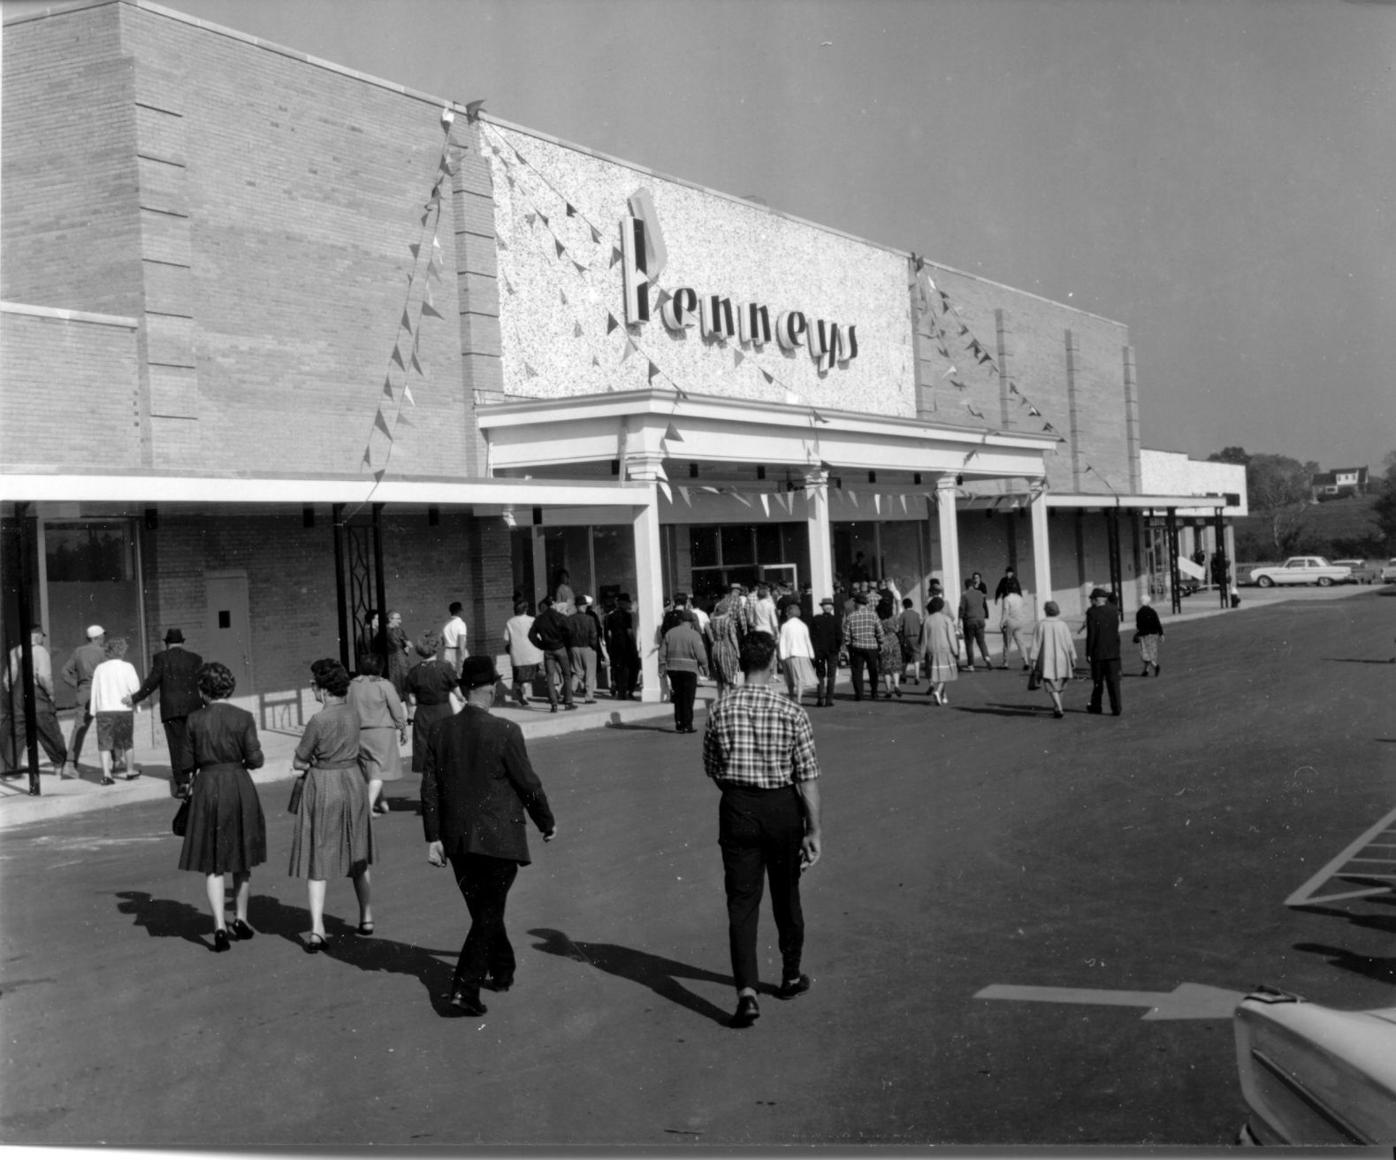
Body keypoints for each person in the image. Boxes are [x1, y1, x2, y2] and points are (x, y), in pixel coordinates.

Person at [422, 656, 556, 1016]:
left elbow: (430, 787)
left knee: (484, 910)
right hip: (498, 838)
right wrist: (546, 822)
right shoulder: (506, 730)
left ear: (465, 690)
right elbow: (527, 783)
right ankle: (464, 989)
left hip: (458, 840)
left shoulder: (440, 730)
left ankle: (502, 969)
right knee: (487, 913)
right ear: (492, 689)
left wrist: (433, 836)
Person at [702, 631, 822, 1029]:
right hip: (781, 809)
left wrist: (739, 792)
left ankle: (746, 993)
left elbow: (713, 766)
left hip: (737, 807)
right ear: (772, 663)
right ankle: (789, 975)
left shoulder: (720, 708)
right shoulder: (792, 711)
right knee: (786, 894)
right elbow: (806, 779)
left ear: (741, 663)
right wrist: (813, 829)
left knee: (741, 902)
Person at [177, 661, 266, 951]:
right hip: (238, 785)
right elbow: (256, 760)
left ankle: (218, 925)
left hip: (207, 787)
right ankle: (240, 918)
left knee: (213, 863)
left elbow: (186, 763)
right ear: (229, 686)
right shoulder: (243, 717)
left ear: (203, 691)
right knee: (241, 856)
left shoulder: (194, 720)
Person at [289, 659, 373, 952]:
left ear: (323, 689)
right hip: (353, 780)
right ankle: (366, 916)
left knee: (319, 854)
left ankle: (317, 929)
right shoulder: (353, 713)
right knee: (357, 850)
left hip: (324, 783)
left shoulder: (318, 720)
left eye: (313, 684)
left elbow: (299, 759)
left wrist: (308, 762)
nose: (312, 688)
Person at [127, 627, 204, 797]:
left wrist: (134, 698)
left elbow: (152, 682)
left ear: (167, 643)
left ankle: (183, 783)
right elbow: (202, 682)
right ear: (182, 642)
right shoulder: (195, 659)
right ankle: (197, 778)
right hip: (194, 707)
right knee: (194, 743)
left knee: (176, 746)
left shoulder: (161, 658)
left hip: (171, 709)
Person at [1, 626, 68, 776]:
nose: (43, 639)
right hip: (37, 696)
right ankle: (60, 765)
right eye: (42, 636)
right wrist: (51, 694)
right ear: (36, 635)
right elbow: (44, 676)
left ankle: (12, 770)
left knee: (17, 735)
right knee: (49, 731)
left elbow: (7, 680)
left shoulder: (14, 651)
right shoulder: (40, 651)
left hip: (18, 698)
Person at [348, 651, 408, 815]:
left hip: (359, 732)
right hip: (381, 732)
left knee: (370, 768)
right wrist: (402, 728)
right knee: (379, 769)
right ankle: (368, 806)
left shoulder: (352, 685)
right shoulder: (384, 685)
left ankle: (381, 802)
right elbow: (396, 708)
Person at [405, 632, 461, 773]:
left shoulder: (413, 672)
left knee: (426, 754)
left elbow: (411, 700)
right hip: (443, 711)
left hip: (423, 714)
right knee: (445, 751)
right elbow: (458, 693)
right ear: (436, 648)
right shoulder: (445, 668)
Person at [90, 637, 142, 784]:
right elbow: (135, 689)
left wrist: (94, 710)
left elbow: (95, 691)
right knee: (127, 742)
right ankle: (130, 770)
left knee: (104, 743)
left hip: (105, 710)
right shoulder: (128, 667)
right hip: (123, 709)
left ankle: (107, 775)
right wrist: (136, 706)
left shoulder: (100, 668)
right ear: (122, 651)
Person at [59, 625, 106, 777]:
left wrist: (77, 684)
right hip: (100, 693)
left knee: (79, 728)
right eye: (102, 636)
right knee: (107, 725)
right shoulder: (103, 652)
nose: (104, 638)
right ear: (97, 637)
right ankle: (117, 761)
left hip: (83, 692)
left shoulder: (78, 651)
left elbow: (64, 672)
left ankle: (70, 764)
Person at [661, 610, 708, 732]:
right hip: (689, 670)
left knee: (678, 696)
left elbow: (662, 653)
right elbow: (701, 654)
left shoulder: (670, 633)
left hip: (673, 670)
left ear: (680, 621)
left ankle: (679, 722)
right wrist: (705, 667)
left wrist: (661, 667)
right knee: (688, 698)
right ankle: (687, 724)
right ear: (691, 622)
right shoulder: (694, 635)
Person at [1029, 600, 1077, 718]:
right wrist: (1073, 657)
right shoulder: (1063, 624)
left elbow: (1036, 644)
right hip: (1063, 658)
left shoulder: (1041, 625)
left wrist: (1033, 660)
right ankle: (1057, 706)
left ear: (1046, 611)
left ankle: (1058, 707)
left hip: (1047, 658)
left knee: (1050, 684)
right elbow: (1069, 643)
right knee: (1060, 684)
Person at [528, 597, 576, 713]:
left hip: (548, 650)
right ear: (552, 605)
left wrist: (541, 645)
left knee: (549, 677)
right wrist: (564, 640)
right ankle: (568, 702)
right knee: (567, 675)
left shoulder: (539, 619)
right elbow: (570, 629)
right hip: (560, 647)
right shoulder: (559, 616)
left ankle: (553, 704)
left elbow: (531, 635)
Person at [1084, 587, 1123, 716]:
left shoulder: (1092, 613)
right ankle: (1116, 707)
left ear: (1096, 600)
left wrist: (1088, 652)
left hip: (1098, 652)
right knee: (1113, 682)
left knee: (1097, 682)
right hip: (1113, 652)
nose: (1090, 602)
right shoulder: (1113, 611)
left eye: (1091, 600)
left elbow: (1092, 634)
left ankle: (1096, 706)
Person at [841, 591, 884, 701]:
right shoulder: (873, 615)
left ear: (857, 604)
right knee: (873, 670)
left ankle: (859, 694)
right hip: (871, 646)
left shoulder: (851, 616)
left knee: (857, 671)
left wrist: (848, 644)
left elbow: (846, 634)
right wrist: (881, 642)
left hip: (857, 646)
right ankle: (874, 692)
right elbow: (879, 631)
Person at [919, 597, 960, 706]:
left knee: (938, 672)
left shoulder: (927, 620)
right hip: (944, 649)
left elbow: (924, 639)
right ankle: (938, 691)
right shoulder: (946, 619)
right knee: (945, 673)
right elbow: (951, 637)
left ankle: (944, 695)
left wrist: (922, 653)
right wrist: (955, 651)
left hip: (931, 650)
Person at [502, 600, 544, 707]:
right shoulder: (532, 620)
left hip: (517, 654)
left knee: (518, 677)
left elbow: (506, 638)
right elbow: (539, 635)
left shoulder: (510, 622)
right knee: (530, 676)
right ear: (526, 609)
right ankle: (524, 688)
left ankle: (522, 694)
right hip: (532, 653)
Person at [777, 602, 817, 706]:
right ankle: (799, 699)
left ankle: (791, 697)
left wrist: (781, 655)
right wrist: (811, 654)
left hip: (789, 654)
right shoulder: (803, 625)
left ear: (788, 613)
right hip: (803, 653)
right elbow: (807, 640)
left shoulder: (785, 626)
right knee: (800, 678)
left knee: (789, 678)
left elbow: (782, 641)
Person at [707, 591, 744, 697]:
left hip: (715, 648)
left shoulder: (713, 621)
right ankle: (728, 697)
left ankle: (720, 697)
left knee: (719, 677)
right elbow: (733, 637)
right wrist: (737, 651)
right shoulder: (728, 621)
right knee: (728, 676)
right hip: (727, 649)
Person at [604, 593, 640, 701]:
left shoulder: (609, 616)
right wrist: (634, 644)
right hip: (627, 646)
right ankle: (629, 691)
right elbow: (629, 631)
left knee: (619, 669)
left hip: (615, 646)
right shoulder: (627, 615)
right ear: (622, 603)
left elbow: (608, 633)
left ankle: (621, 691)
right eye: (627, 602)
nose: (628, 604)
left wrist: (609, 648)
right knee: (633, 668)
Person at [567, 596, 601, 704]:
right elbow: (593, 634)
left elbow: (567, 634)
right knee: (590, 672)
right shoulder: (589, 619)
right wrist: (594, 646)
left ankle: (570, 691)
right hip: (587, 647)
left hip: (574, 647)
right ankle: (588, 697)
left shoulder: (570, 619)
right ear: (584, 606)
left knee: (577, 671)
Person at [808, 597, 841, 707]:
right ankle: (829, 699)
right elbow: (839, 636)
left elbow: (811, 635)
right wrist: (838, 648)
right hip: (832, 650)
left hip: (819, 650)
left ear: (822, 607)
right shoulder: (836, 619)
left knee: (820, 674)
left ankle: (820, 698)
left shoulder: (816, 619)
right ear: (831, 607)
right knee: (831, 675)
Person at [959, 580, 993, 671]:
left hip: (970, 621)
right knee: (981, 641)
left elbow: (962, 608)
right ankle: (987, 658)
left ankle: (971, 665)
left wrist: (959, 621)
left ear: (966, 586)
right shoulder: (980, 593)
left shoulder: (964, 595)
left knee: (969, 643)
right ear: (973, 585)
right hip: (980, 620)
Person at [998, 589, 1034, 671]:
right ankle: (1026, 662)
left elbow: (1006, 612)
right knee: (1021, 642)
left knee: (1007, 643)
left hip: (1010, 622)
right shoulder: (1020, 598)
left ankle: (1005, 663)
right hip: (1020, 621)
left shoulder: (1007, 598)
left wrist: (1002, 622)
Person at [876, 596, 903, 698]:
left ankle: (888, 690)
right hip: (894, 640)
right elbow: (897, 629)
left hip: (884, 642)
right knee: (896, 665)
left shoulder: (878, 620)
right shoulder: (894, 618)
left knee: (886, 667)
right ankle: (896, 685)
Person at [385, 610, 414, 700]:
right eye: (397, 619)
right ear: (390, 619)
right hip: (392, 659)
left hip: (401, 658)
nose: (400, 621)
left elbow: (409, 644)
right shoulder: (386, 631)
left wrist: (405, 646)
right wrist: (404, 645)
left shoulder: (399, 630)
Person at [1135, 593, 1164, 677]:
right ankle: (1146, 671)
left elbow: (1138, 626)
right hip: (1154, 634)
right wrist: (1161, 634)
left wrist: (1137, 634)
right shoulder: (1153, 611)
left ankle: (1155, 666)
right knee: (1151, 652)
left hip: (1144, 635)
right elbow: (1157, 623)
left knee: (1145, 653)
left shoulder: (1139, 613)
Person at [897, 598, 922, 685]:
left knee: (905, 657)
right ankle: (917, 676)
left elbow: (899, 627)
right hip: (917, 637)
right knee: (916, 657)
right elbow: (920, 624)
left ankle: (904, 675)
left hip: (907, 637)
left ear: (904, 606)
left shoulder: (903, 614)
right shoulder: (917, 614)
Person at [441, 601, 468, 674]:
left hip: (447, 651)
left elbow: (442, 641)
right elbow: (461, 640)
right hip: (458, 651)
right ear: (459, 611)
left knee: (450, 674)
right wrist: (463, 655)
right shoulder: (460, 623)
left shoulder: (445, 624)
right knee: (462, 674)